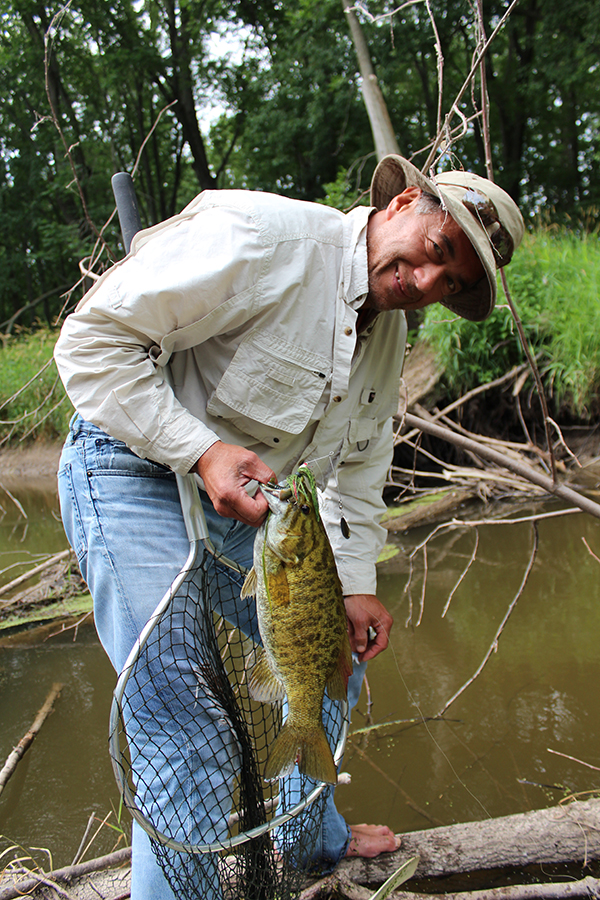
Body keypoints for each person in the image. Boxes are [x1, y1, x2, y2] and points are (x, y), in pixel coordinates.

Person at [54, 153, 524, 898]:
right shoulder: (261, 238)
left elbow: (362, 468)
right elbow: (88, 346)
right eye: (438, 253)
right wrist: (200, 449)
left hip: (252, 510)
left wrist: (358, 583)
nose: (429, 284)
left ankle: (308, 843)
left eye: (454, 284)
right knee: (186, 723)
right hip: (129, 469)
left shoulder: (386, 329)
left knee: (335, 655)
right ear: (404, 204)